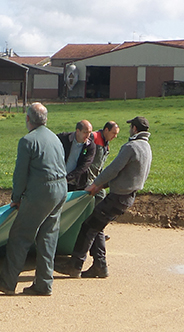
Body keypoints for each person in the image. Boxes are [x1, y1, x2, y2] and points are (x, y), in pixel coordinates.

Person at [0, 102, 68, 296]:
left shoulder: (27, 141)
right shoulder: (55, 138)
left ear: (28, 119)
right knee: (48, 236)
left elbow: (20, 174)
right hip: (61, 189)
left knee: (20, 236)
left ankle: (7, 281)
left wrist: (16, 197)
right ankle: (44, 284)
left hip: (42, 191)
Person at [56, 116, 152, 279]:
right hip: (128, 197)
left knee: (88, 227)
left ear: (134, 129)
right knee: (96, 226)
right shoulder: (146, 147)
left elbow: (113, 170)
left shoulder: (131, 146)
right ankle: (100, 267)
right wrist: (102, 186)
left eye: (131, 127)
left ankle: (74, 266)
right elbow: (125, 174)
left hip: (118, 196)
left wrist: (95, 184)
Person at [57, 120, 96, 191]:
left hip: (76, 184)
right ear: (78, 131)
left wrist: (68, 178)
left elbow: (84, 165)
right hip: (58, 180)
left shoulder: (90, 146)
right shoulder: (64, 138)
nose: (88, 135)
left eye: (90, 132)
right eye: (85, 132)